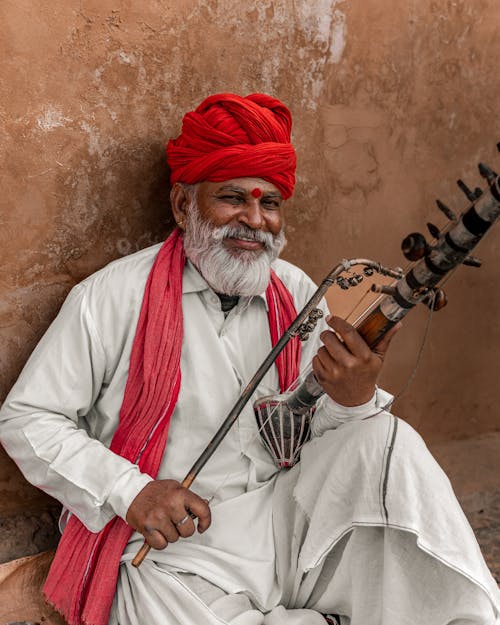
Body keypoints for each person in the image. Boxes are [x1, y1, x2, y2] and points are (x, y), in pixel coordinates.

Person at [0, 93, 498, 625]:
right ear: (182, 205)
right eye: (232, 198)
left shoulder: (299, 291)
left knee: (386, 438)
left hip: (288, 522)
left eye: (270, 203)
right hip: (181, 549)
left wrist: (352, 399)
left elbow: (319, 428)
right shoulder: (111, 298)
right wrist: (134, 491)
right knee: (165, 607)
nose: (254, 220)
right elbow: (27, 419)